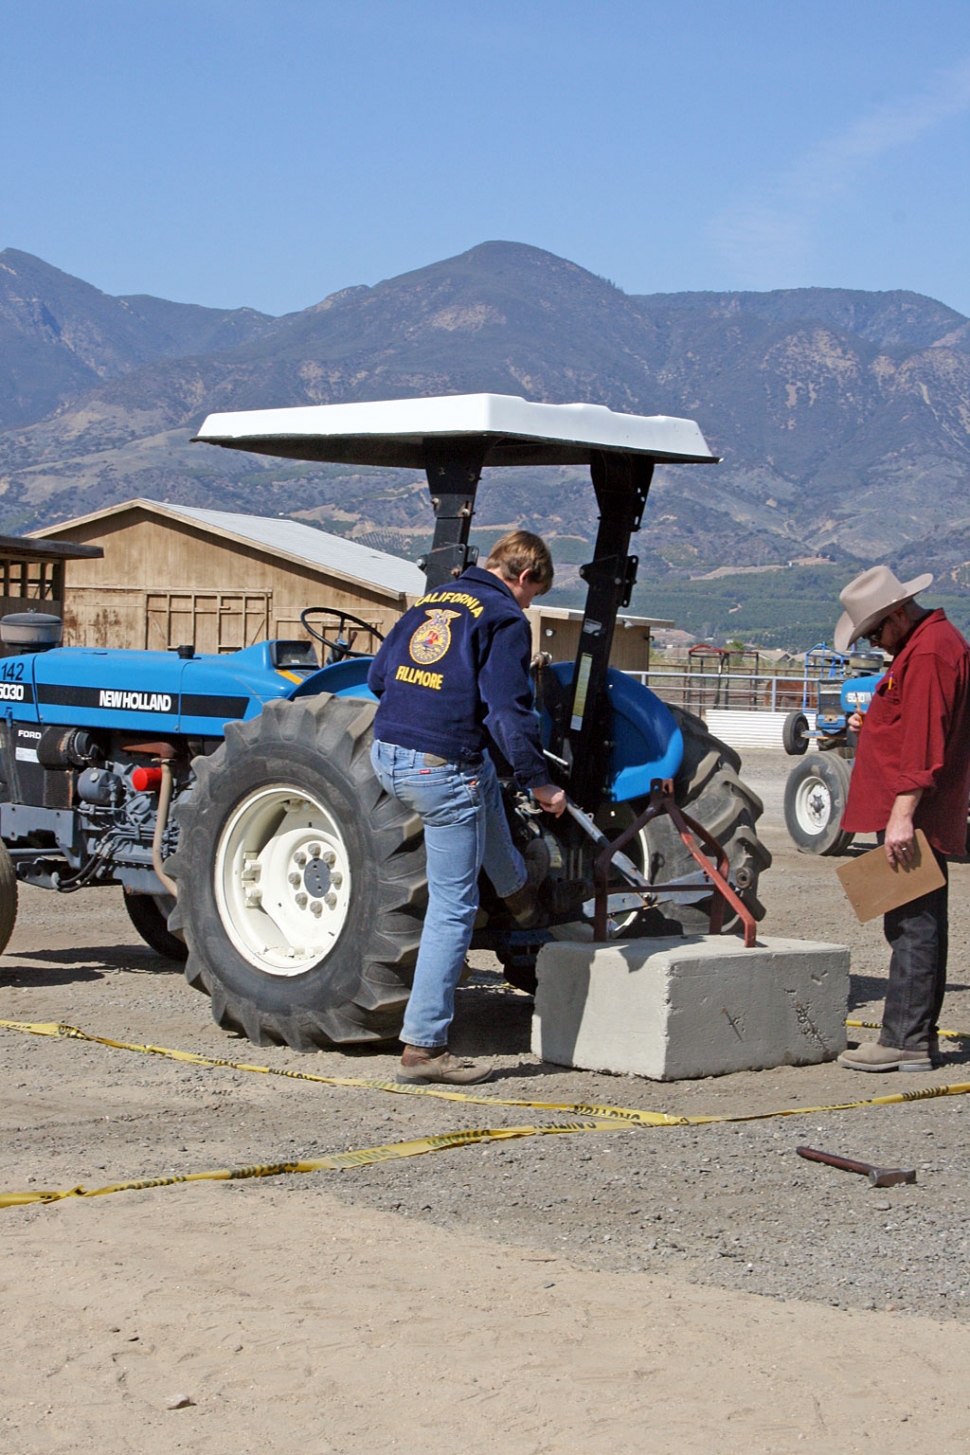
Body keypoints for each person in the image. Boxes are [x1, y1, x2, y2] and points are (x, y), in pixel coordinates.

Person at [367, 529, 566, 1086]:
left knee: (480, 777)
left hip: (386, 754)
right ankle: (423, 1048)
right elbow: (508, 713)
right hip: (438, 770)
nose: (530, 604)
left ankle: (518, 896)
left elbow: (377, 677)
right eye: (535, 594)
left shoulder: (432, 601)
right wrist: (542, 784)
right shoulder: (504, 619)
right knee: (453, 907)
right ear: (524, 577)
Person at [833, 565, 970, 1072]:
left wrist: (901, 817)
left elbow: (925, 744)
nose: (877, 643)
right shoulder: (922, 648)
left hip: (913, 815)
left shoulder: (931, 652)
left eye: (874, 632)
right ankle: (913, 1036)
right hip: (911, 811)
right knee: (914, 921)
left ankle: (905, 1040)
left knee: (913, 925)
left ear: (895, 614)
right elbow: (910, 722)